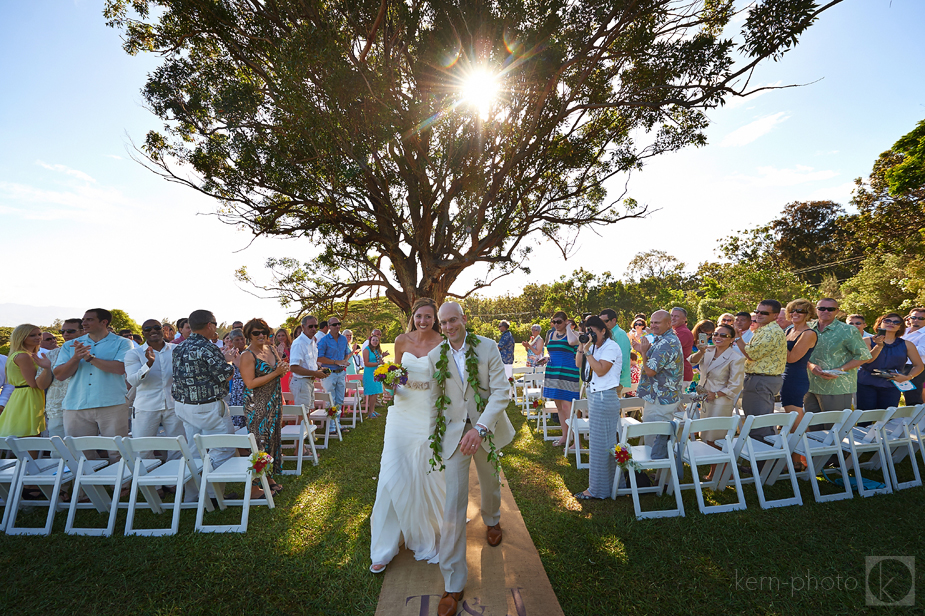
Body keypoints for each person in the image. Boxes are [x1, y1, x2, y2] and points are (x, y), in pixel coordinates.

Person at [428, 302, 516, 616]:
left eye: (453, 320)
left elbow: (500, 392)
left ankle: (492, 520)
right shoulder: (435, 355)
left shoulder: (488, 347)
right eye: (443, 322)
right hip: (453, 435)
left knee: (491, 482)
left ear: (464, 319)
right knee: (453, 503)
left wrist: (479, 428)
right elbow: (426, 392)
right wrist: (391, 385)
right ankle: (453, 582)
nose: (449, 327)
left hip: (485, 429)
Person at [369, 298, 446, 573]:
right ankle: (384, 547)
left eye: (428, 317)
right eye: (418, 316)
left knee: (427, 471)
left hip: (428, 411)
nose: (422, 321)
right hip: (402, 410)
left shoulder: (443, 342)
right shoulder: (401, 340)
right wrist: (389, 385)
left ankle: (430, 528)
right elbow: (395, 373)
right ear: (412, 316)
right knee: (392, 471)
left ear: (435, 318)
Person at [172, 309, 238, 500]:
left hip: (183, 406)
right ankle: (209, 493)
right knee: (225, 446)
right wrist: (230, 362)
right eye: (215, 325)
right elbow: (225, 374)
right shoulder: (207, 348)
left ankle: (192, 495)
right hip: (207, 407)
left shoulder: (179, 348)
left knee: (194, 450)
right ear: (209, 325)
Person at [53, 308, 133, 458]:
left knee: (118, 452)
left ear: (104, 322)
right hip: (76, 404)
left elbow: (120, 368)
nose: (84, 323)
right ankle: (90, 482)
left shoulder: (123, 343)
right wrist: (75, 358)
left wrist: (90, 358)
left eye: (89, 319)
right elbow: (60, 375)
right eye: (83, 320)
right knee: (80, 453)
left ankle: (122, 482)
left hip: (112, 403)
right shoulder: (70, 345)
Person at [572, 316, 622, 500]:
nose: (590, 335)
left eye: (593, 331)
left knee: (601, 446)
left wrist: (588, 353)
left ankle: (598, 489)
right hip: (595, 397)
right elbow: (579, 364)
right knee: (602, 444)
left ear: (603, 330)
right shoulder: (593, 346)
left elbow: (601, 370)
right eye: (588, 332)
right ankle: (613, 484)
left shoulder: (611, 347)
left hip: (604, 397)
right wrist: (582, 346)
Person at [688, 324, 746, 480]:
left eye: (723, 335)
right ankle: (720, 471)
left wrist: (717, 394)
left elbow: (735, 385)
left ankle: (722, 473)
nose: (718, 337)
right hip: (705, 398)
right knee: (706, 435)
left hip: (721, 402)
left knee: (716, 437)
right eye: (715, 334)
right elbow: (690, 361)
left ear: (732, 339)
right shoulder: (708, 350)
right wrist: (700, 351)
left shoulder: (736, 358)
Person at [240, 318, 288, 495]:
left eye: (264, 332)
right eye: (256, 333)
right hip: (257, 404)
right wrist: (276, 372)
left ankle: (267, 476)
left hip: (273, 401)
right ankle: (253, 487)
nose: (261, 335)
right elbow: (250, 383)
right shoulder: (247, 355)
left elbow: (277, 374)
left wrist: (282, 369)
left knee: (271, 440)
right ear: (248, 335)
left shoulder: (271, 349)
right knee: (260, 443)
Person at [124, 320, 184, 458]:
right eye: (148, 329)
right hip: (146, 407)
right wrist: (148, 364)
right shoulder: (134, 354)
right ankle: (146, 478)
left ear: (164, 330)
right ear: (143, 332)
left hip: (173, 405)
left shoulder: (176, 350)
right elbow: (133, 380)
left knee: (178, 447)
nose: (153, 331)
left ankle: (178, 478)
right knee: (142, 449)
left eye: (157, 328)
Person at [805, 298, 872, 416]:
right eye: (822, 308)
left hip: (837, 386)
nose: (826, 311)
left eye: (830, 309)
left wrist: (839, 370)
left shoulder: (848, 330)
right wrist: (810, 365)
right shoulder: (807, 327)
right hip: (809, 384)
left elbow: (863, 356)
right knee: (812, 427)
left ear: (837, 311)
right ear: (816, 310)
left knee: (833, 428)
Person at [734, 300, 787, 441]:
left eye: (764, 313)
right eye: (757, 311)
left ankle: (761, 461)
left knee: (757, 424)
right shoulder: (764, 330)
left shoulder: (770, 332)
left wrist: (737, 337)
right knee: (763, 422)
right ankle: (767, 459)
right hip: (762, 379)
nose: (758, 315)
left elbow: (751, 354)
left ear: (775, 315)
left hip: (761, 380)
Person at [632, 310, 683, 446]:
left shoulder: (666, 343)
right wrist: (643, 349)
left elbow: (650, 371)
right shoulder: (665, 338)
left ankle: (659, 466)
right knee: (659, 438)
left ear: (668, 323)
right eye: (652, 322)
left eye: (657, 323)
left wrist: (643, 352)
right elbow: (658, 360)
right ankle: (663, 465)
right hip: (662, 395)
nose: (653, 325)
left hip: (660, 397)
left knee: (654, 440)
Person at [857, 313, 923, 410]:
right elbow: (867, 361)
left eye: (896, 322)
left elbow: (919, 366)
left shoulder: (907, 344)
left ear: (900, 327)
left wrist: (908, 377)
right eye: (887, 320)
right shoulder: (867, 341)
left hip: (892, 384)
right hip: (866, 383)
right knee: (865, 418)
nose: (891, 323)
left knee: (888, 418)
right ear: (879, 324)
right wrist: (878, 346)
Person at [0, 324, 54, 437]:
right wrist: (46, 368)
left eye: (39, 334)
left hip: (22, 395)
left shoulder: (20, 354)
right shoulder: (24, 356)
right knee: (30, 435)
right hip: (28, 396)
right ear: (22, 337)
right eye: (32, 335)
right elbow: (33, 383)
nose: (38, 337)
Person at [780, 299, 817, 456]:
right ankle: (794, 459)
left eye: (800, 311)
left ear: (807, 314)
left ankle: (804, 458)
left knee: (796, 420)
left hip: (795, 379)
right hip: (784, 377)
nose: (795, 313)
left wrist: (777, 341)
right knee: (792, 420)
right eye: (793, 310)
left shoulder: (808, 333)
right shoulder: (789, 330)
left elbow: (792, 358)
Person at [542, 312, 581, 447]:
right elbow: (552, 351)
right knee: (559, 407)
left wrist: (569, 328)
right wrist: (546, 358)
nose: (556, 324)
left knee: (568, 407)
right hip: (553, 372)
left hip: (568, 373)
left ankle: (577, 441)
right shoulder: (551, 334)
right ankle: (565, 436)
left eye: (559, 321)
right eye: (554, 322)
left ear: (566, 321)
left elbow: (571, 343)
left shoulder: (574, 334)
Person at [42, 318, 83, 438]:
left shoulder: (92, 353)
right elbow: (42, 385)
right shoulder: (50, 354)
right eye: (62, 331)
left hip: (82, 406)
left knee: (83, 450)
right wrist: (46, 369)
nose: (65, 334)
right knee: (58, 448)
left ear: (83, 331)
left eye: (70, 331)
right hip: (57, 407)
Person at [318, 316, 351, 433]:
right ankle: (331, 426)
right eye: (335, 324)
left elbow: (346, 353)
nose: (338, 326)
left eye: (339, 324)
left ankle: (337, 424)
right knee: (330, 400)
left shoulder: (343, 339)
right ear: (329, 327)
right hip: (329, 373)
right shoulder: (324, 340)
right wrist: (335, 362)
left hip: (341, 372)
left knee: (340, 399)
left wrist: (345, 361)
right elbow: (319, 357)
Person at [289, 315, 328, 413]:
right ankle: (303, 429)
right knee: (303, 414)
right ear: (303, 327)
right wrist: (315, 373)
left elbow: (309, 363)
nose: (314, 329)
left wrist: (320, 369)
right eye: (310, 326)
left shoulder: (312, 341)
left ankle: (308, 429)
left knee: (308, 412)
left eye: (316, 326)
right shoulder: (299, 343)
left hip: (309, 382)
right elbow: (293, 367)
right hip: (301, 382)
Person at [599, 309, 632, 395]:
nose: (602, 324)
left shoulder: (620, 334)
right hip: (607, 380)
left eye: (605, 321)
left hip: (616, 381)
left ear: (614, 320)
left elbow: (623, 359)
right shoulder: (607, 334)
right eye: (600, 321)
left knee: (614, 408)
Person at [223, 329, 248, 428]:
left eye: (242, 339)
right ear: (232, 341)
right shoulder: (233, 353)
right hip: (240, 386)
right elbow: (243, 368)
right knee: (240, 414)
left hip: (249, 384)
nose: (241, 342)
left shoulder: (248, 350)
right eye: (237, 340)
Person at [902, 307, 925, 404]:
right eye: (914, 317)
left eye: (921, 318)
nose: (916, 320)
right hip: (899, 365)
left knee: (913, 396)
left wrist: (902, 348)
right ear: (909, 318)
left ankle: (917, 419)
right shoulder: (903, 332)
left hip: (915, 367)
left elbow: (922, 351)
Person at [362, 332, 384, 417]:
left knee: (375, 393)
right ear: (370, 340)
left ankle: (373, 410)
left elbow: (378, 360)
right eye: (373, 340)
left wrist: (382, 357)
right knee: (372, 392)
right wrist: (378, 363)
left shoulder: (376, 350)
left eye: (377, 340)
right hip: (369, 373)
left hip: (376, 373)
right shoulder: (366, 350)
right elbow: (366, 363)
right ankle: (370, 412)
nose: (375, 341)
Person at [670, 307, 694, 386]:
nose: (673, 318)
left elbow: (668, 350)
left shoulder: (683, 332)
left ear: (684, 319)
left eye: (676, 316)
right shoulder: (674, 330)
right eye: (671, 315)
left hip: (680, 375)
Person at [274, 327, 292, 394]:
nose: (281, 337)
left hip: (291, 373)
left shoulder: (292, 347)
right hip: (282, 374)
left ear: (287, 336)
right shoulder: (275, 348)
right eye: (279, 336)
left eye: (283, 335)